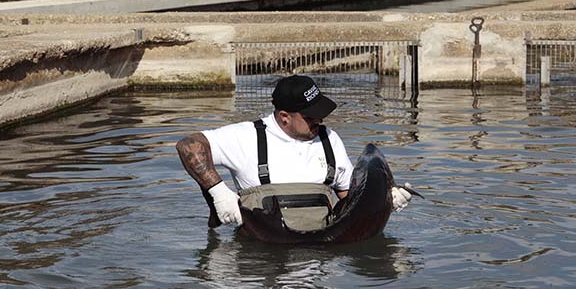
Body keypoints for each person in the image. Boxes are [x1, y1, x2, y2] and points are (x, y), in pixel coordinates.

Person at [176, 74, 412, 226]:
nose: (319, 120)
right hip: (260, 261)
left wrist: (382, 201)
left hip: (322, 257)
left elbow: (349, 201)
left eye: (321, 113)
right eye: (311, 116)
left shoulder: (330, 139)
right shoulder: (246, 137)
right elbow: (188, 145)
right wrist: (219, 193)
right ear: (284, 117)